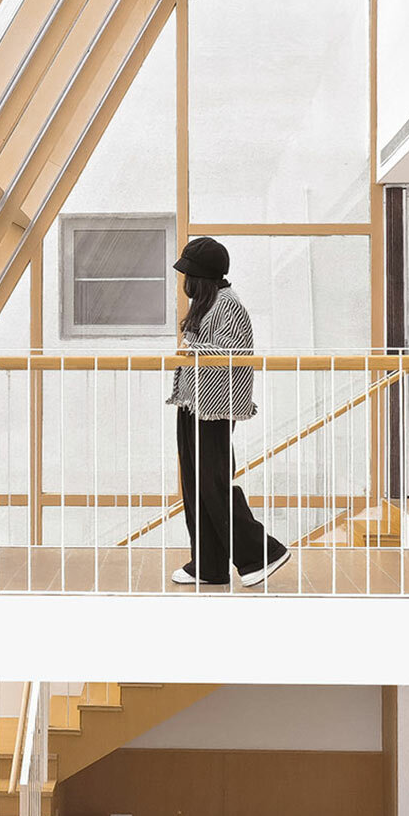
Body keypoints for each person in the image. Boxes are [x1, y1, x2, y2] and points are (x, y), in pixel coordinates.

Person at [164, 236, 289, 587]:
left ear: (200, 277)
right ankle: (208, 564)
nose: (184, 281)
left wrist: (190, 348)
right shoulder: (211, 302)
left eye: (187, 275)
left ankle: (262, 552)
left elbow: (231, 353)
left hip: (214, 409)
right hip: (194, 404)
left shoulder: (227, 304)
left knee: (213, 484)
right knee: (195, 485)